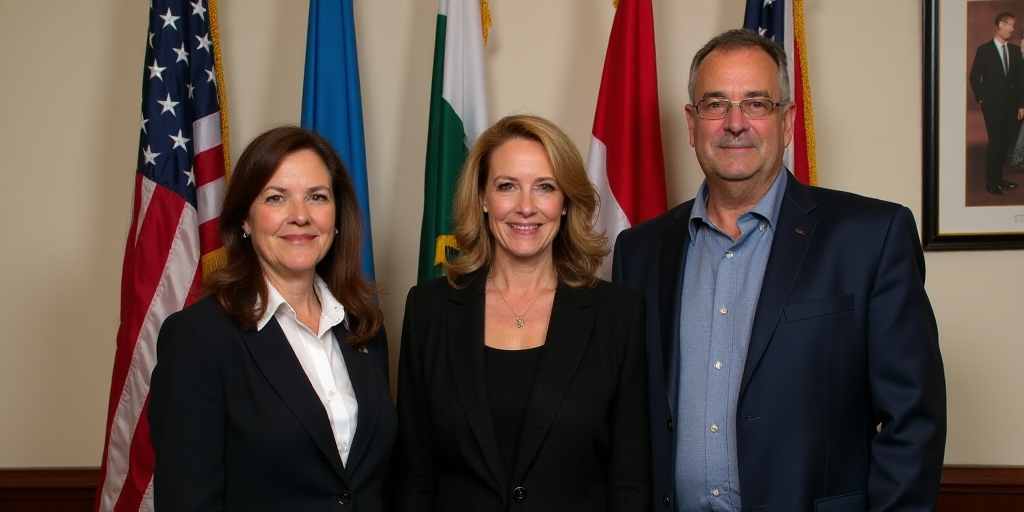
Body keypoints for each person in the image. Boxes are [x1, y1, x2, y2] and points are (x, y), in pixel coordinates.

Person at [612, 29, 947, 512]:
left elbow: (913, 421)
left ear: (787, 121)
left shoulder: (871, 237)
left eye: (756, 103)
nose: (734, 123)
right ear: (691, 123)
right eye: (714, 104)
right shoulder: (639, 252)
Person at [392, 114, 651, 511]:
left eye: (545, 187)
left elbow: (630, 483)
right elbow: (414, 476)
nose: (525, 207)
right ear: (482, 197)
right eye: (507, 186)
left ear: (565, 202)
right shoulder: (429, 310)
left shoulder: (618, 316)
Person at [149, 126, 396, 511]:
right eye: (276, 198)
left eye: (317, 197)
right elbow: (187, 500)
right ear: (244, 220)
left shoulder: (364, 327)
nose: (300, 216)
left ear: (337, 215)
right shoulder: (199, 339)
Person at [969, 11, 1023, 195]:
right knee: (995, 141)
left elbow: (1021, 81)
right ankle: (991, 182)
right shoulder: (984, 50)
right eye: (1010, 25)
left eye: (1014, 26)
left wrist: (1021, 105)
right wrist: (983, 98)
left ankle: (999, 178)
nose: (1013, 29)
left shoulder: (1015, 51)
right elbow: (974, 77)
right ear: (1000, 24)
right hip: (992, 106)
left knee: (1006, 142)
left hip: (1011, 106)